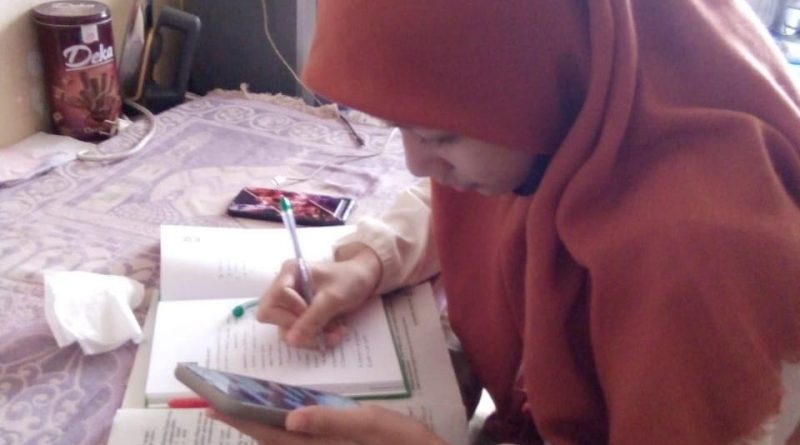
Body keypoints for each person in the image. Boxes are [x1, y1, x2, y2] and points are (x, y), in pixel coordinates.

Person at [209, 1, 800, 444]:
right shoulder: (591, 111)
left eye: (443, 135)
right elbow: (464, 200)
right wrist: (367, 262)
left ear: (560, 75)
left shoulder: (702, 259)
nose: (417, 163)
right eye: (399, 128)